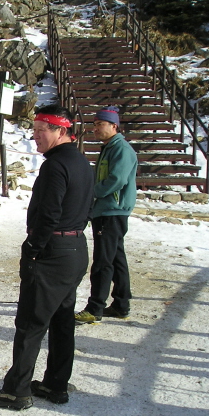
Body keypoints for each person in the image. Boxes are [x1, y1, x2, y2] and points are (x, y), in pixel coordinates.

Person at [0, 104, 94, 410]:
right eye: (33, 130)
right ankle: (55, 384)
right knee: (61, 321)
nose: (35, 137)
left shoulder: (56, 166)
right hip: (75, 249)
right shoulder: (83, 163)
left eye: (41, 130)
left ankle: (16, 391)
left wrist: (32, 248)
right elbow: (88, 207)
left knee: (31, 323)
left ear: (61, 131)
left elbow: (49, 214)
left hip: (53, 252)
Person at [75, 106, 137, 324]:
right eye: (94, 124)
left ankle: (95, 307)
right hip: (108, 210)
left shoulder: (121, 149)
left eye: (100, 124)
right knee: (116, 257)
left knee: (103, 261)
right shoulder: (110, 148)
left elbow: (117, 180)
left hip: (112, 211)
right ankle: (121, 304)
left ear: (114, 126)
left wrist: (93, 193)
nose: (95, 129)